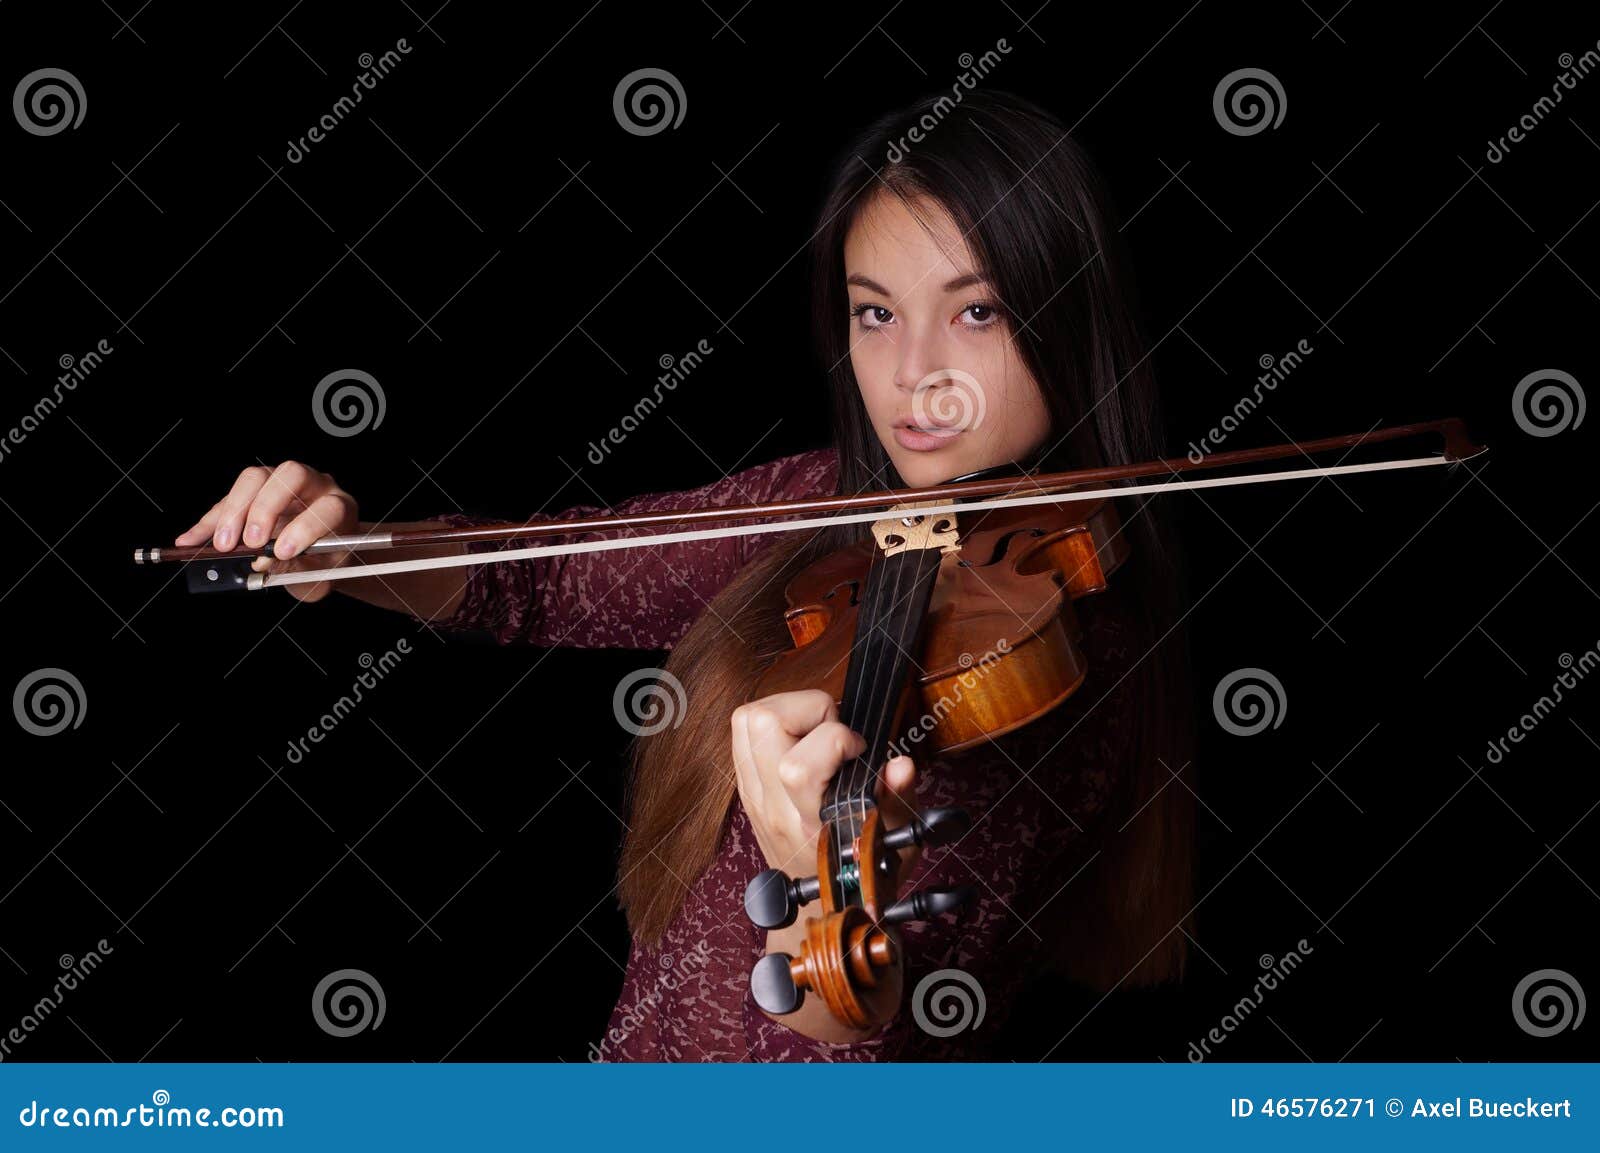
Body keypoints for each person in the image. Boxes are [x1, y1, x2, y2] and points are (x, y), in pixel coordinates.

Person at [174, 90, 1195, 1060]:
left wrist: (811, 883)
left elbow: (840, 1076)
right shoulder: (828, 500)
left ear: (1070, 316)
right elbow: (546, 580)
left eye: (976, 313)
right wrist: (352, 550)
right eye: (874, 313)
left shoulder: (1068, 657)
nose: (911, 373)